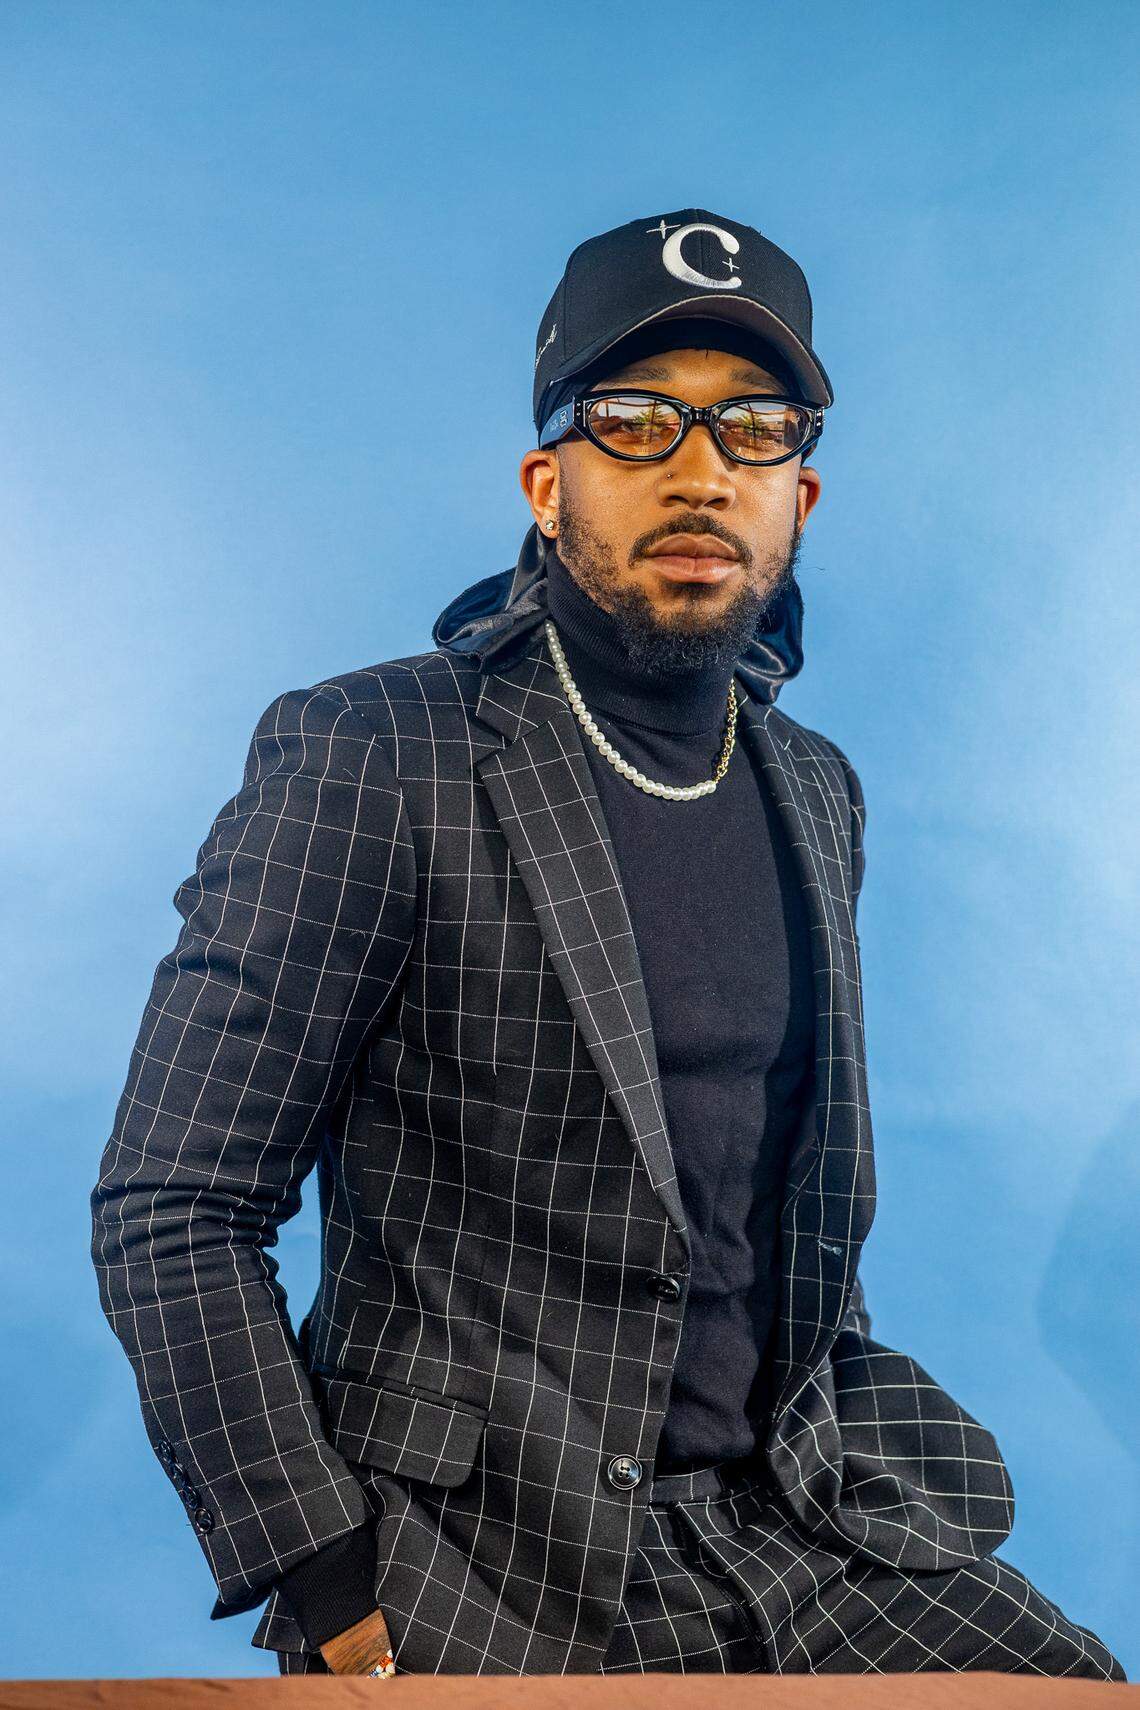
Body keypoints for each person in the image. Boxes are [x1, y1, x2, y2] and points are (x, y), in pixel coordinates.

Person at [90, 208, 1126, 1679]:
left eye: (751, 426)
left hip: (796, 1525)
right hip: (479, 1558)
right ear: (546, 481)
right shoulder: (376, 753)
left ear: (800, 495)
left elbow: (776, 1199)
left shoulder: (816, 789)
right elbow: (174, 1204)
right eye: (636, 420)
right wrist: (322, 1576)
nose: (699, 469)